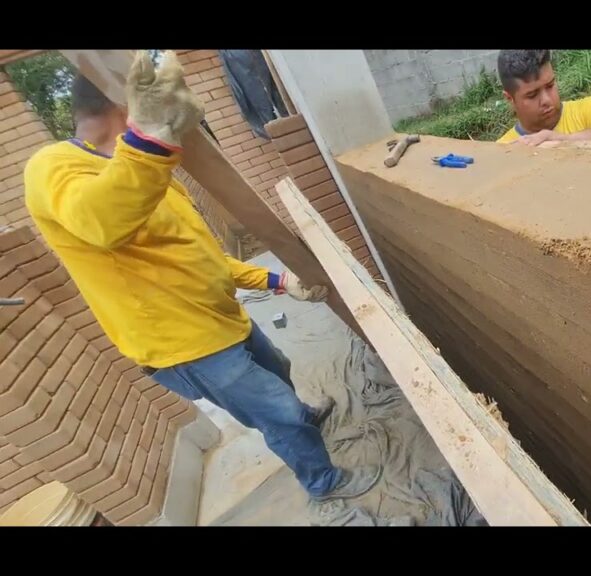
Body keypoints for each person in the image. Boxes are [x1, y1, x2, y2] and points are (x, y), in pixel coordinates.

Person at [23, 51, 377, 502]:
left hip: (219, 320)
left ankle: (300, 419)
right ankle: (323, 482)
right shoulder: (54, 166)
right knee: (277, 411)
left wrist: (279, 282)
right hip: (184, 344)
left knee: (281, 377)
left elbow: (201, 258)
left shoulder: (145, 171)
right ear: (125, 103)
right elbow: (103, 221)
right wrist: (149, 137)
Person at [495, 50, 591, 146]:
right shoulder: (504, 148)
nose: (546, 100)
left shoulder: (588, 109)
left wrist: (564, 141)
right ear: (510, 99)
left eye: (550, 85)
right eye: (532, 95)